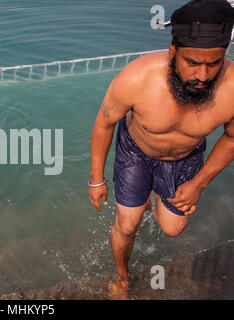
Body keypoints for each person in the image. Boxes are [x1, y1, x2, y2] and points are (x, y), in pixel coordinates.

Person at [88, 0, 234, 299]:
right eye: (192, 62)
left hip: (186, 157)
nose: (203, 76)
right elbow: (104, 123)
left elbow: (232, 138)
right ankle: (121, 274)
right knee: (128, 224)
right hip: (136, 152)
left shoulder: (232, 88)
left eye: (214, 63)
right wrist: (96, 178)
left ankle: (154, 197)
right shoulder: (137, 78)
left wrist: (198, 183)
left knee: (172, 229)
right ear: (173, 52)